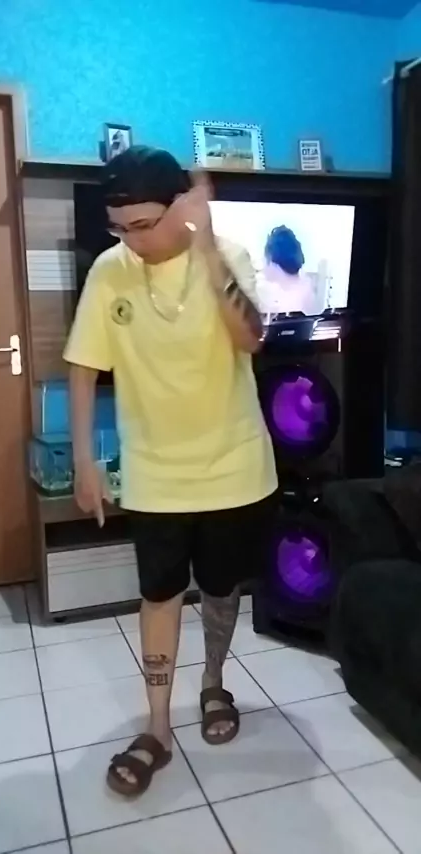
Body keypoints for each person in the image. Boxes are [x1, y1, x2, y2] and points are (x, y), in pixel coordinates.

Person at [64, 146, 278, 797]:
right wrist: (84, 459)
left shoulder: (228, 256)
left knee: (220, 588)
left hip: (234, 466)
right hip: (154, 473)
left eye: (144, 224)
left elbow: (252, 337)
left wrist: (206, 249)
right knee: (157, 595)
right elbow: (83, 366)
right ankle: (157, 727)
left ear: (181, 206)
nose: (133, 240)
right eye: (119, 228)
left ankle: (214, 683)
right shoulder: (110, 271)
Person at [259, 225, 316, 315]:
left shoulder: (285, 306)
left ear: (273, 263)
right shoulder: (306, 287)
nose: (263, 267)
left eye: (265, 259)